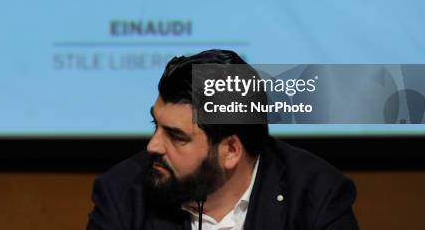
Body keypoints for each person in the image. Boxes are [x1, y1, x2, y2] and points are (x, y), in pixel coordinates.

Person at [86, 49, 359, 230]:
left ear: (230, 150)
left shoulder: (316, 197)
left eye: (176, 136)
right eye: (155, 125)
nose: (153, 146)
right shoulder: (121, 194)